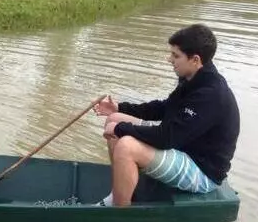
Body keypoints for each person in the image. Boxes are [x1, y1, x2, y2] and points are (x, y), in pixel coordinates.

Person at [94, 23, 240, 206]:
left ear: (195, 60)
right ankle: (122, 191)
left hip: (202, 171)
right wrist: (119, 108)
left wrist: (121, 129)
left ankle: (119, 211)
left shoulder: (210, 94)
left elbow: (166, 137)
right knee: (114, 119)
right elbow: (165, 108)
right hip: (183, 147)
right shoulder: (193, 77)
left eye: (175, 55)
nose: (169, 59)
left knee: (126, 145)